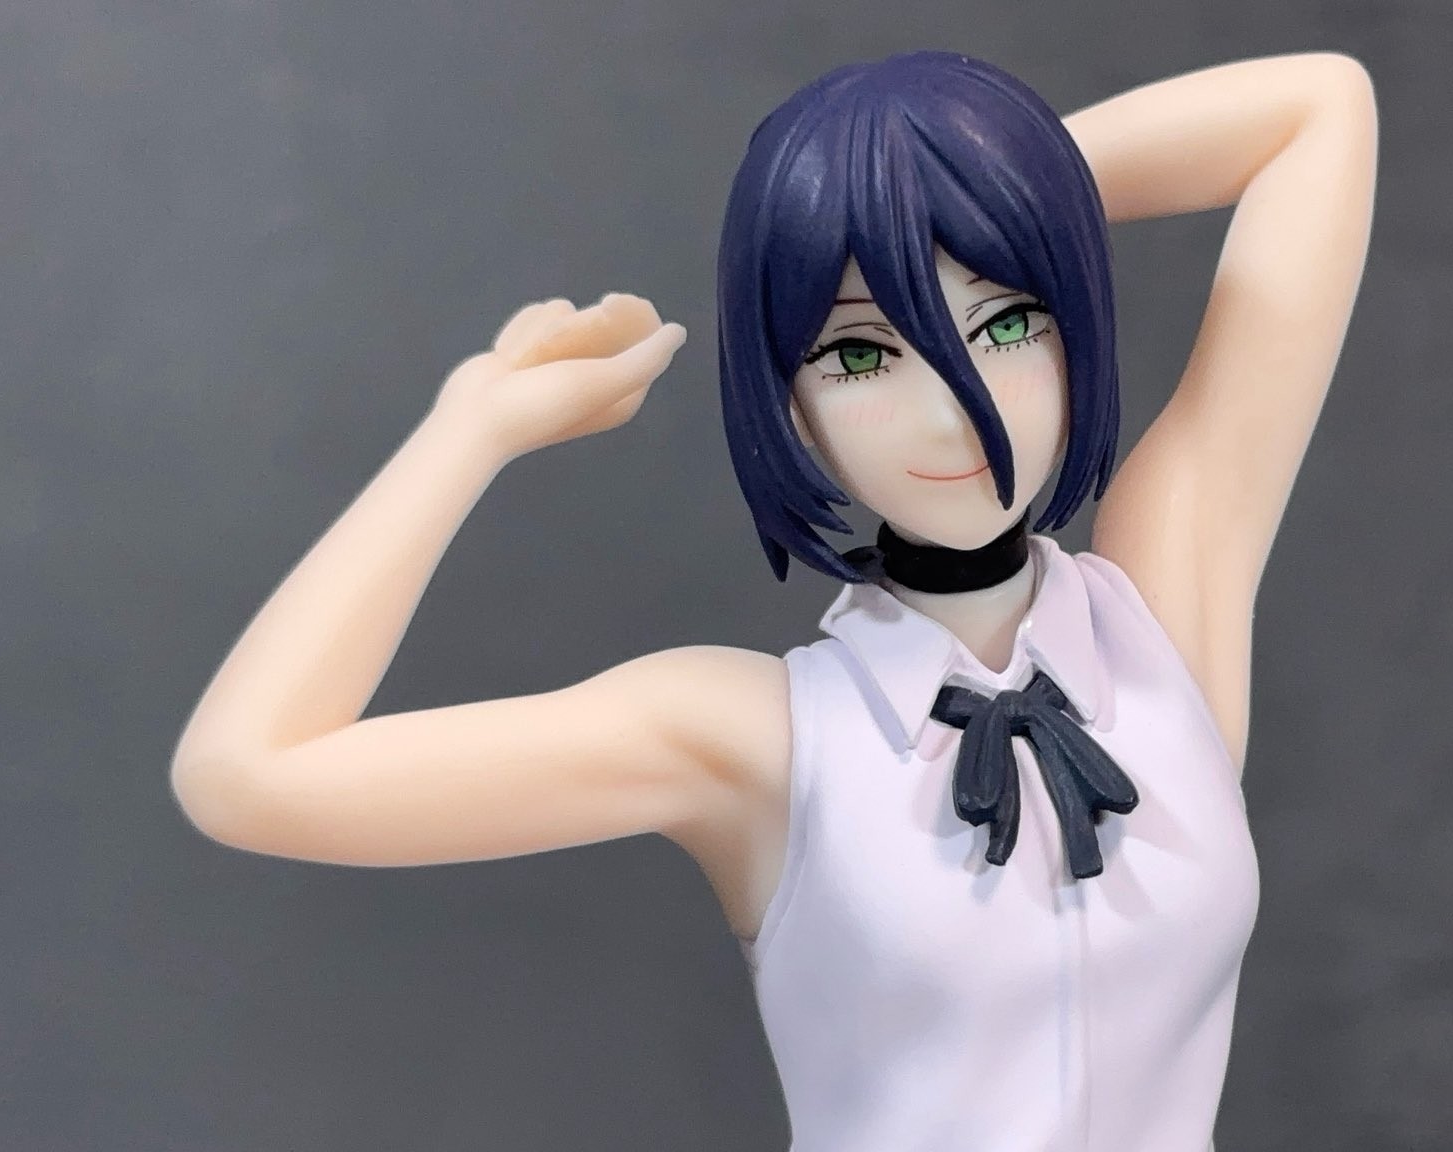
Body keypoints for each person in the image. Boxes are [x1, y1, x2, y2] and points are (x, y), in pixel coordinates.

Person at [173, 49, 1376, 1152]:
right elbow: (249, 774)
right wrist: (465, 434)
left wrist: (967, 196)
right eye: (860, 354)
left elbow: (1315, 111)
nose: (948, 411)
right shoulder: (752, 737)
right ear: (786, 401)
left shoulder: (1163, 618)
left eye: (1008, 321)